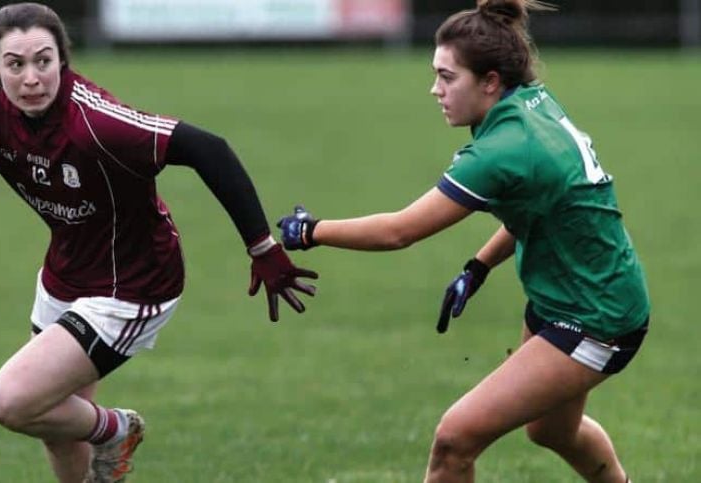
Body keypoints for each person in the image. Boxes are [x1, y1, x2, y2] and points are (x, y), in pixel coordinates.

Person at [0, 3, 318, 482]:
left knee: (13, 400)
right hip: (66, 273)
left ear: (63, 61)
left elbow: (208, 148)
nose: (30, 79)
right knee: (55, 422)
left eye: (43, 61)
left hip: (133, 284)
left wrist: (262, 247)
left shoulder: (95, 123)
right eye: (15, 64)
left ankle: (115, 430)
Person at [277, 1, 649, 481]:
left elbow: (400, 231)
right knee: (551, 432)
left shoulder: (502, 150)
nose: (435, 89)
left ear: (490, 81)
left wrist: (311, 231)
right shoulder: (531, 103)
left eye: (447, 77)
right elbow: (537, 205)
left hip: (597, 318)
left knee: (455, 439)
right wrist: (478, 266)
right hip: (570, 296)